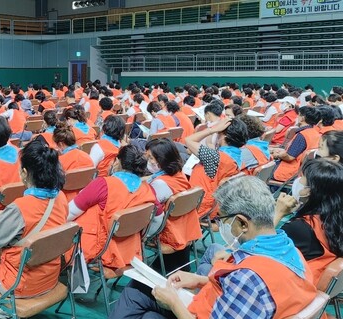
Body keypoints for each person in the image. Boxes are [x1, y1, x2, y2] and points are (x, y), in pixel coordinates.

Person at [111, 176, 319, 319]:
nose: (220, 225)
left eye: (223, 219)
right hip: (215, 306)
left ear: (242, 223)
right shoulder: (288, 248)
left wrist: (174, 302)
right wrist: (201, 280)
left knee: (135, 295)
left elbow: (246, 288)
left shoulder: (248, 278)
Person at [0, 139, 67, 319]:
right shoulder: (61, 197)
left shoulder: (21, 207)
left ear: (24, 173)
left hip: (21, 283)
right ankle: (3, 311)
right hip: (50, 277)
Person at [68, 144, 156, 269]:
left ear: (118, 162)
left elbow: (69, 212)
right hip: (131, 251)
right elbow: (158, 218)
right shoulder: (148, 190)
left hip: (100, 250)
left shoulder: (103, 185)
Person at [275, 159, 343, 285]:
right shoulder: (334, 217)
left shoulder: (300, 228)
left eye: (302, 178)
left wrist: (278, 213)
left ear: (309, 191)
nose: (297, 182)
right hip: (316, 278)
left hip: (294, 286)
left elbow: (259, 249)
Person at [145, 138, 201, 273]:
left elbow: (147, 210)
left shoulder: (160, 184)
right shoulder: (179, 173)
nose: (148, 161)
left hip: (167, 234)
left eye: (150, 158)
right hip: (185, 229)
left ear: (162, 160)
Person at [185, 118, 248, 217]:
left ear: (223, 136)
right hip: (213, 204)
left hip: (197, 206)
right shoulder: (237, 155)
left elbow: (188, 140)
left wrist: (212, 130)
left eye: (219, 132)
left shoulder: (215, 157)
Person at [271, 106, 321, 182]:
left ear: (302, 118)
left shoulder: (302, 135)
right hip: (302, 171)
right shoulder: (315, 133)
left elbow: (290, 157)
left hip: (289, 172)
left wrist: (276, 154)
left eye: (299, 115)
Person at [53, 123, 94, 201]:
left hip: (65, 200)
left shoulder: (59, 162)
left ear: (61, 144)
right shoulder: (87, 156)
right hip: (86, 196)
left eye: (56, 145)